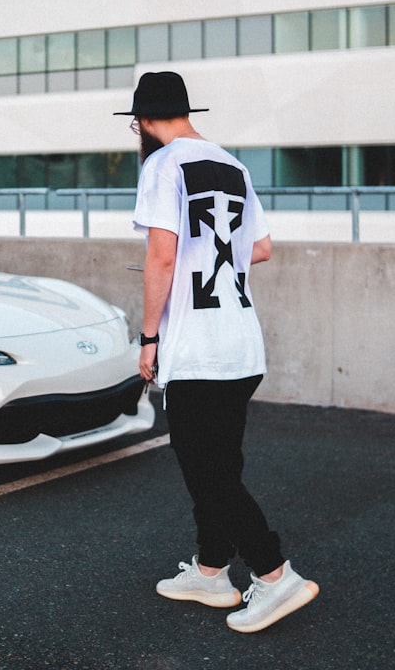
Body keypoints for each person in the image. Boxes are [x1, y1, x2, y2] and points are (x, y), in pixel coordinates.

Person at [116, 71, 319, 633]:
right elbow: (261, 248)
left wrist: (149, 337)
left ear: (142, 120)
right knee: (219, 463)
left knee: (207, 471)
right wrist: (201, 264)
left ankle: (276, 576)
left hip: (197, 346)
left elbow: (160, 258)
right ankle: (210, 571)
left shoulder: (162, 165)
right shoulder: (233, 165)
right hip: (240, 343)